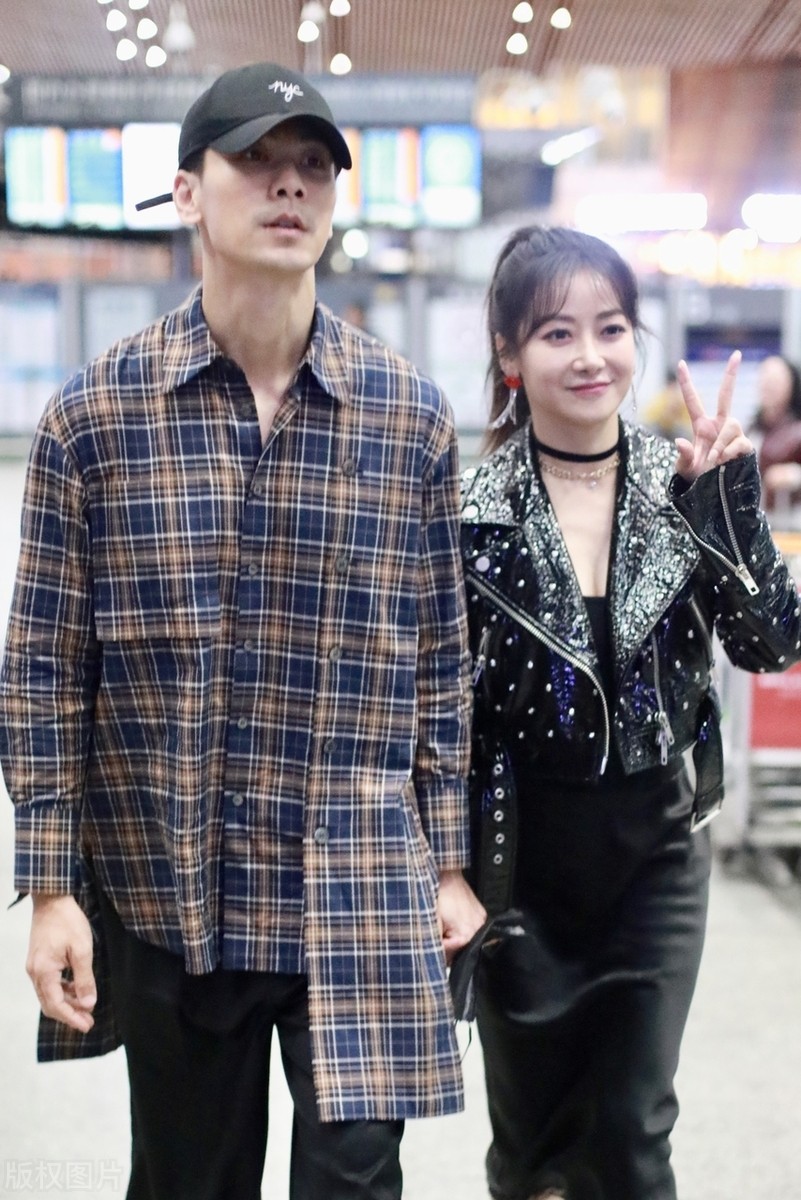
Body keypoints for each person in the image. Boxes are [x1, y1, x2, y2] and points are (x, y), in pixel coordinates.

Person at [0, 61, 485, 1200]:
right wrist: (52, 888)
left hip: (358, 880)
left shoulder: (409, 419)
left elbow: (439, 660)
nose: (290, 185)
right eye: (257, 161)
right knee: (188, 1182)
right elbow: (43, 667)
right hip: (174, 878)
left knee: (355, 1186)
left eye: (313, 164)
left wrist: (453, 861)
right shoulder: (95, 418)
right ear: (187, 191)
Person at [459, 225, 801, 1200]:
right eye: (556, 333)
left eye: (610, 328)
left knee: (633, 1134)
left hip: (655, 855)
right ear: (510, 355)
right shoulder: (469, 512)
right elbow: (441, 713)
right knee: (534, 1152)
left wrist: (726, 506)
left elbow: (773, 644)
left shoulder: (681, 482)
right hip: (518, 863)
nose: (590, 355)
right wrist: (445, 871)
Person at [750, 353, 801, 514]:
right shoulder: (751, 430)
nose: (768, 386)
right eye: (765, 379)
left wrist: (794, 474)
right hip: (754, 518)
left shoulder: (797, 431)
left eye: (776, 381)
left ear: (791, 385)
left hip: (789, 519)